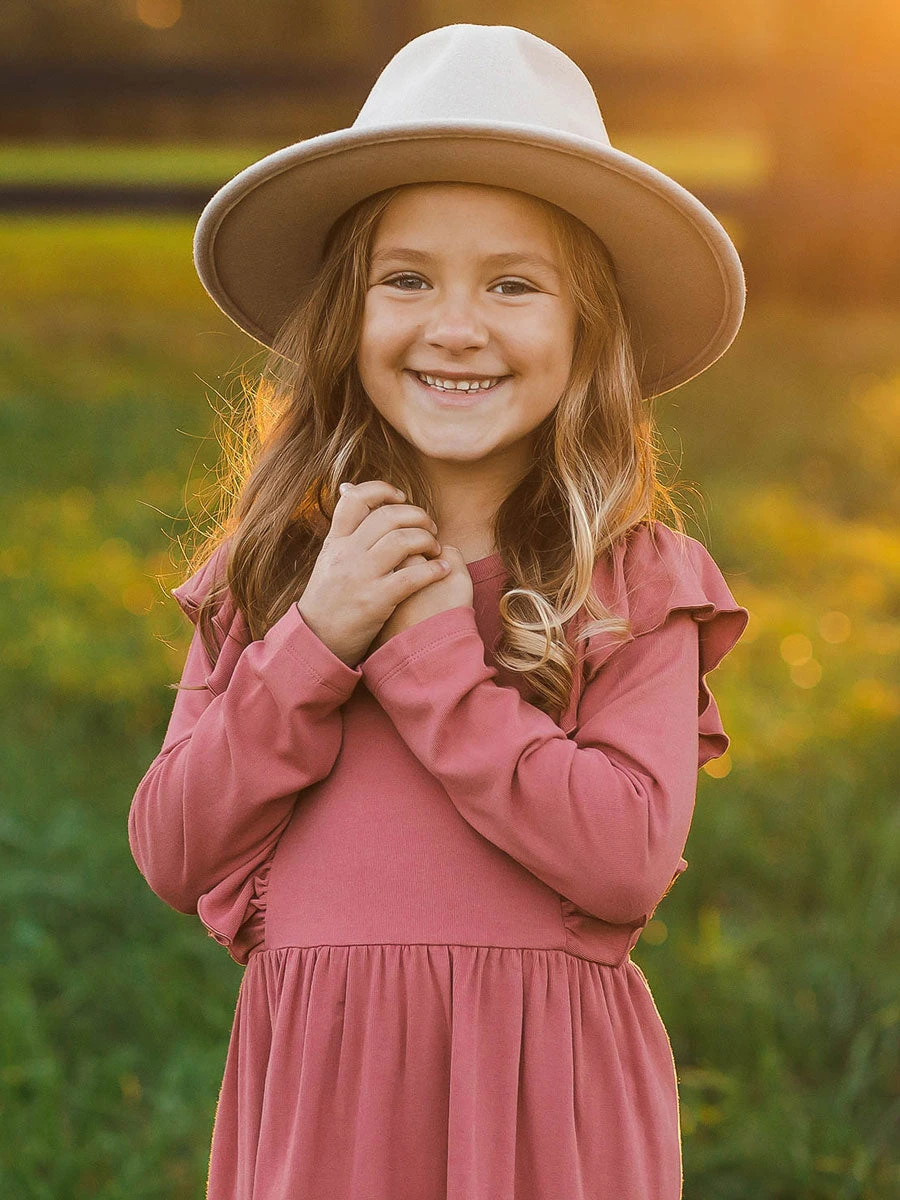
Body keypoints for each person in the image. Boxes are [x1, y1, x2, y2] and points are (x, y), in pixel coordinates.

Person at [128, 23, 751, 1200]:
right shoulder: (276, 572)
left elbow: (624, 859)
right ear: (343, 321)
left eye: (512, 284)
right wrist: (315, 644)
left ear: (587, 332)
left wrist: (428, 665)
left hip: (542, 1107)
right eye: (405, 279)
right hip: (325, 1109)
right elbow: (172, 847)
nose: (454, 325)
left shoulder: (631, 580)